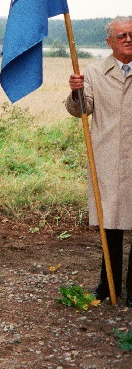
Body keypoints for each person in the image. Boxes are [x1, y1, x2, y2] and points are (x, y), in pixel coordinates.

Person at [66, 16, 132, 306]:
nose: (128, 39)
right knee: (111, 225)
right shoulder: (93, 72)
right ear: (109, 42)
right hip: (108, 158)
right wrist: (76, 91)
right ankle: (108, 286)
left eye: (131, 34)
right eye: (122, 36)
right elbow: (82, 110)